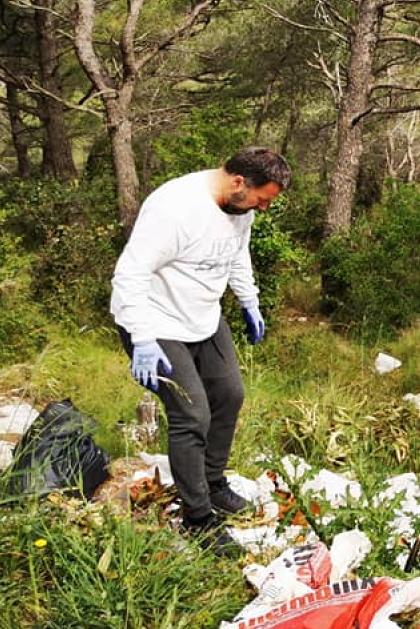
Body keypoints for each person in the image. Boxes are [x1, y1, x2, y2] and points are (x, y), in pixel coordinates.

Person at [111, 147, 290, 555]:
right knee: (191, 414)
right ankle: (197, 518)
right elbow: (130, 273)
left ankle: (212, 484)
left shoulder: (239, 208)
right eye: (262, 199)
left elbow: (236, 254)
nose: (261, 209)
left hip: (202, 318)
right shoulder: (174, 208)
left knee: (230, 394)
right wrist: (141, 337)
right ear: (239, 181)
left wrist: (250, 301)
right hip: (155, 323)